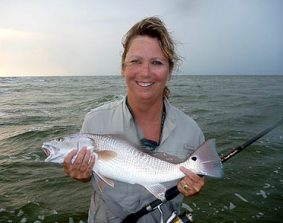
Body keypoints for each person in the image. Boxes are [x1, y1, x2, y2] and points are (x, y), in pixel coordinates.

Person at [63, 16, 205, 223]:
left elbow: (196, 178)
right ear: (123, 68)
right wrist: (82, 173)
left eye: (156, 62)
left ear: (170, 71)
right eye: (135, 61)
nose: (145, 72)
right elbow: (91, 175)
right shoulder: (95, 121)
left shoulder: (191, 131)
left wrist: (194, 186)